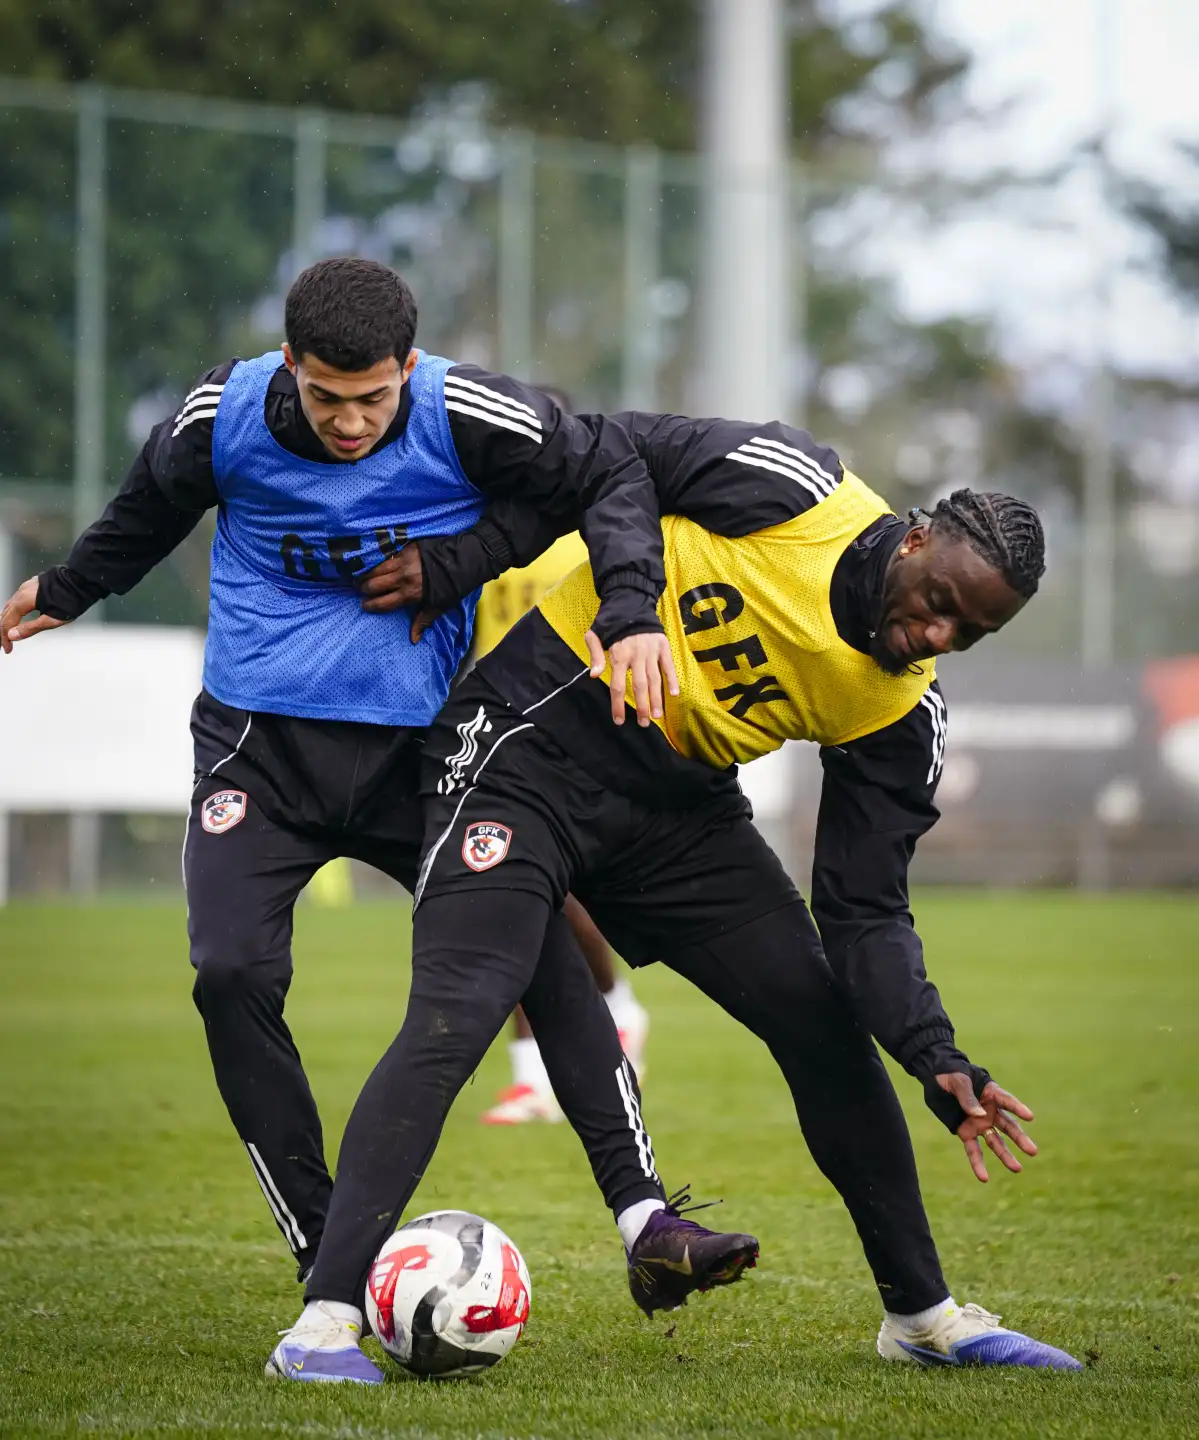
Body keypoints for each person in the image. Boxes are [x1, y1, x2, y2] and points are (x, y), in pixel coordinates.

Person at [1, 262, 758, 1376]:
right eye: (325, 399)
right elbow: (149, 506)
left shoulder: (467, 410)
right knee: (230, 975)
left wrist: (574, 592)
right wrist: (64, 590)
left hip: (428, 756)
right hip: (260, 753)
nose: (351, 424)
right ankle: (327, 1248)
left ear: (408, 367)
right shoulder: (221, 416)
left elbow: (605, 472)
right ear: (290, 368)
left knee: (541, 950)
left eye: (373, 398)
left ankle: (648, 1222)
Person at [295, 413, 1084, 1378]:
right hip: (527, 741)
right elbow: (609, 451)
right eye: (937, 602)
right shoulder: (797, 491)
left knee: (822, 1025)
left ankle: (922, 1319)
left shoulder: (900, 709)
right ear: (915, 538)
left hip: (677, 809)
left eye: (970, 631)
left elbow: (864, 910)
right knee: (460, 1010)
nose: (935, 633)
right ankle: (323, 1324)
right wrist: (571, 589)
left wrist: (933, 1051)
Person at [472, 385, 650, 1126]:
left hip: (585, 735)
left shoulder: (599, 527)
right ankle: (529, 1074)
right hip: (498, 730)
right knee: (502, 894)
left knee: (548, 897)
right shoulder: (489, 529)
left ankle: (613, 1008)